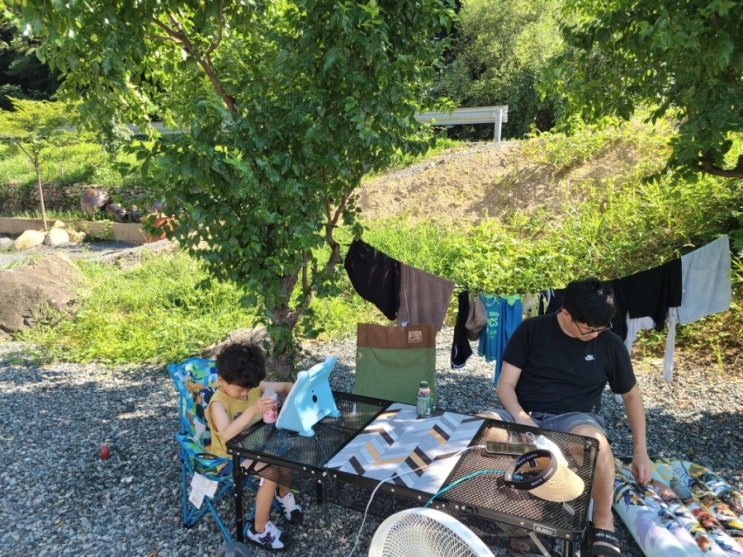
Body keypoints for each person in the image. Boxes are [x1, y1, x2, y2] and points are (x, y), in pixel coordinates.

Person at [481, 278, 652, 557]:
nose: (594, 335)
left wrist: (640, 451)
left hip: (574, 418)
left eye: (601, 328)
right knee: (483, 430)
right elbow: (506, 386)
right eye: (588, 329)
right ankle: (514, 513)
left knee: (596, 444)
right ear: (566, 313)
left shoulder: (609, 343)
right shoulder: (532, 330)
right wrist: (521, 417)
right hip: (524, 413)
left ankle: (603, 521)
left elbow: (631, 397)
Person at [206, 343, 303, 550]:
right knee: (271, 472)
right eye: (240, 389)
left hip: (254, 444)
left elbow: (286, 386)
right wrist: (253, 410)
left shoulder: (250, 386)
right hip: (228, 457)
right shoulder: (218, 403)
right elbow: (226, 435)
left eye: (248, 389)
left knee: (286, 456)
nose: (245, 394)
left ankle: (283, 495)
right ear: (221, 380)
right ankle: (259, 530)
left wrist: (299, 390)